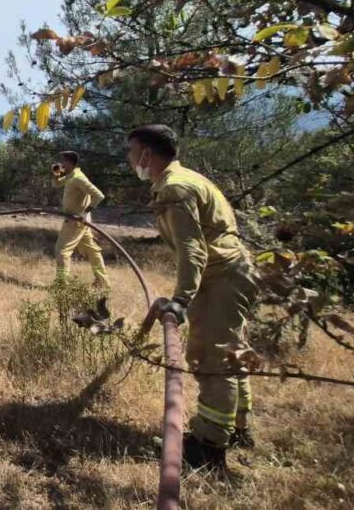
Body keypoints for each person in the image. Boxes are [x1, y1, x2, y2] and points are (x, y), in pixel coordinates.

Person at [128, 124, 258, 471]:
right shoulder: (183, 179)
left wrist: (181, 300)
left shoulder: (175, 188)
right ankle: (238, 428)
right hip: (231, 272)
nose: (129, 160)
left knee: (212, 359)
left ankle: (207, 448)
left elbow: (192, 249)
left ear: (147, 154)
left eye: (132, 152)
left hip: (221, 278)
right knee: (232, 352)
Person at [51, 151, 109, 290]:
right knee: (92, 251)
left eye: (63, 161)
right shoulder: (70, 176)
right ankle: (103, 282)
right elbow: (56, 185)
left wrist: (84, 212)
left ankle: (61, 286)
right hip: (79, 221)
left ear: (70, 162)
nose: (61, 163)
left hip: (75, 220)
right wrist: (56, 173)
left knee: (62, 251)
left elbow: (99, 196)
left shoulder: (78, 178)